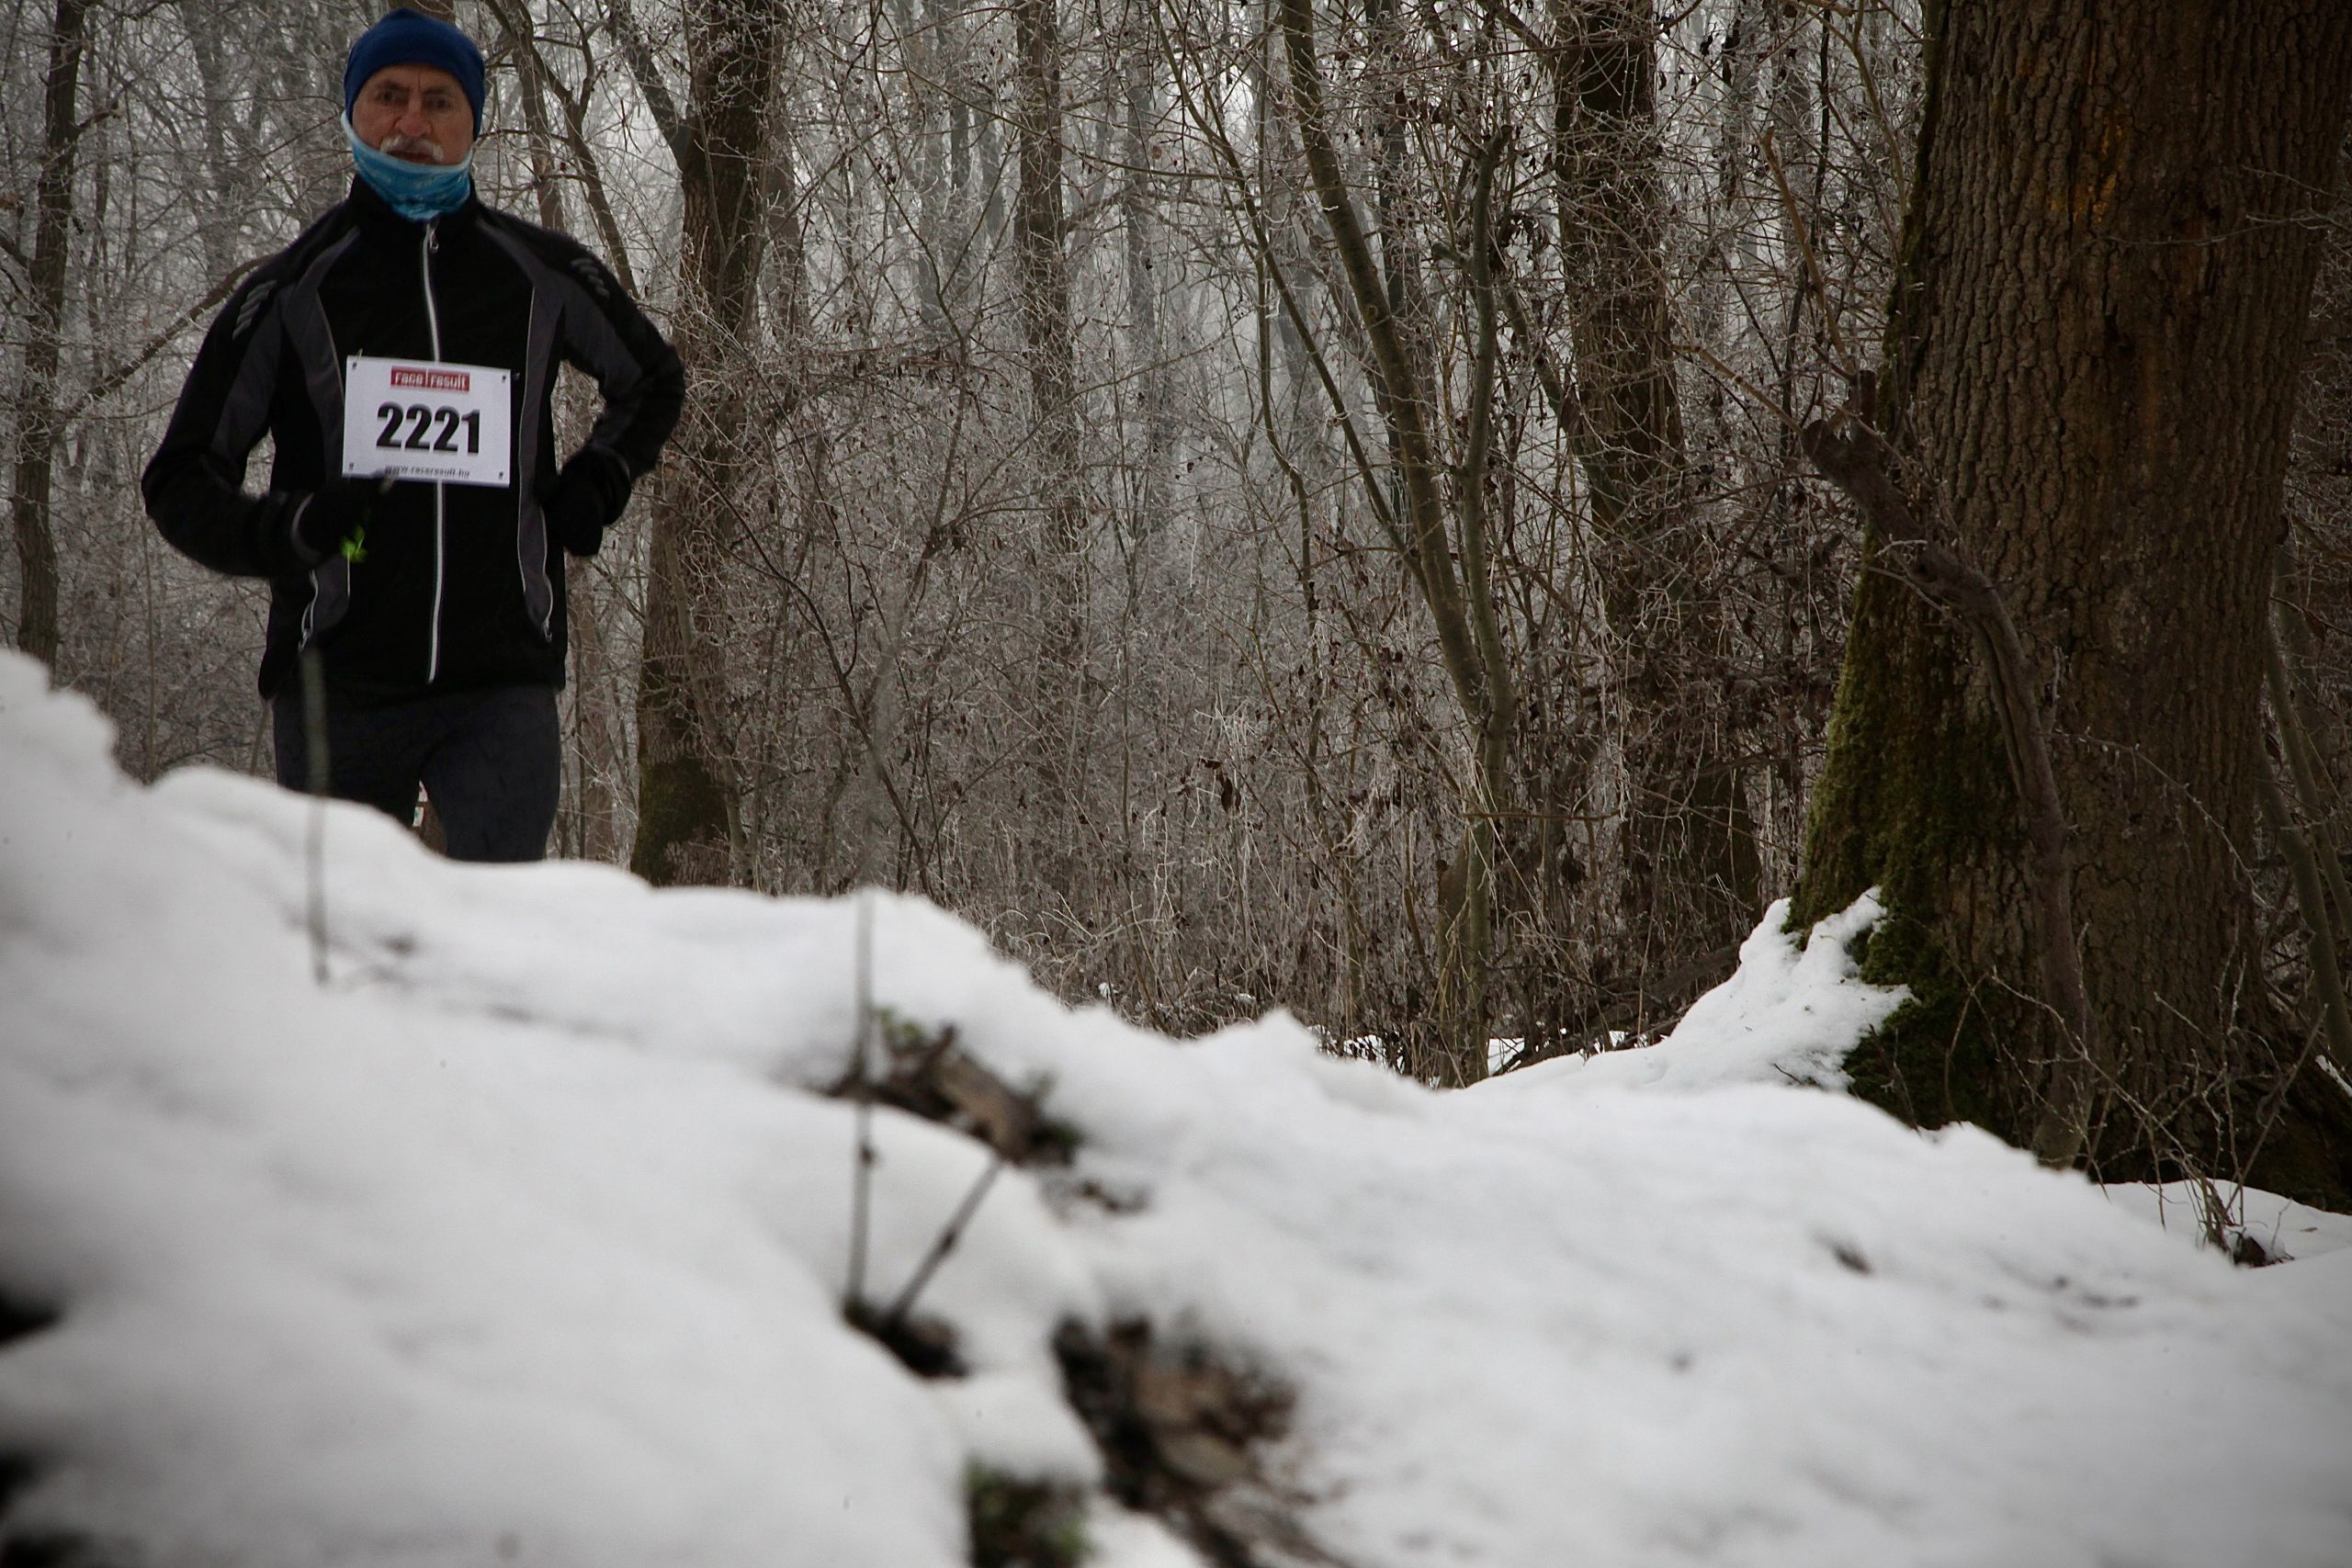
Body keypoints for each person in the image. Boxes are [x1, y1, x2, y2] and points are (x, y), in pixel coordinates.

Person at [144, 7, 684, 863]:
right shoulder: (292, 290)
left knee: (496, 945)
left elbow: (654, 378)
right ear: (354, 114)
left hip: (500, 682)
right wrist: (289, 531)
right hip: (338, 680)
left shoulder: (537, 271)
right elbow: (179, 480)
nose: (413, 124)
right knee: (346, 958)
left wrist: (598, 482)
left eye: (440, 103)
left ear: (474, 122)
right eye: (389, 97)